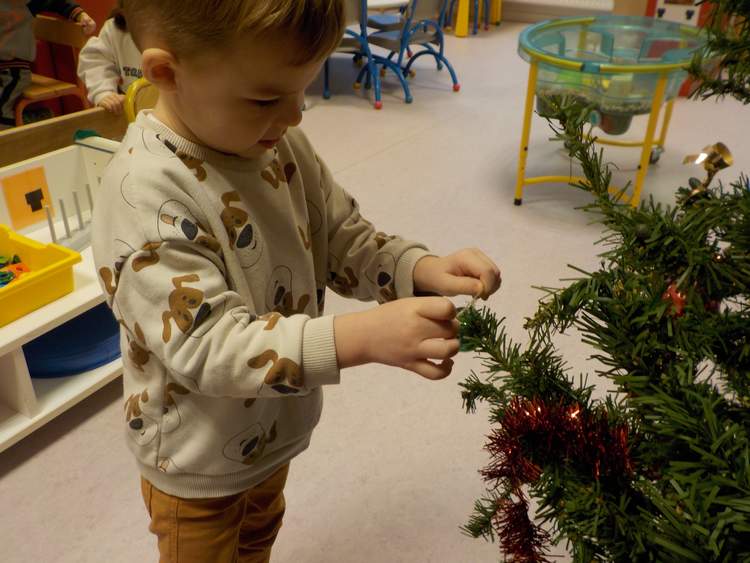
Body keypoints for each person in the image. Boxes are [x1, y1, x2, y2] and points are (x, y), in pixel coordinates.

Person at [91, 1, 502, 561]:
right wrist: (360, 337)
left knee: (259, 535)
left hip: (269, 431)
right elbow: (208, 346)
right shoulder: (143, 195)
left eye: (302, 89)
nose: (295, 115)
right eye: (266, 98)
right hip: (196, 462)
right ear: (166, 72)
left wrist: (418, 268)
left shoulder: (274, 138)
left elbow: (341, 236)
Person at [0, 0, 95, 129]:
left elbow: (57, 2)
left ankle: (11, 137)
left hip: (12, 69)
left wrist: (80, 15)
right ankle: (28, 120)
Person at [77, 0, 141, 115]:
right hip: (136, 107)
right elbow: (96, 61)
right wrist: (104, 93)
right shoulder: (116, 27)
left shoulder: (173, 28)